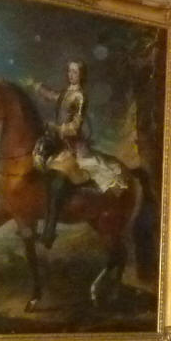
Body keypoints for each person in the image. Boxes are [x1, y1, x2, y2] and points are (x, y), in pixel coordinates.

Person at [29, 60, 124, 248]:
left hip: (73, 148)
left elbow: (75, 127)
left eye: (75, 72)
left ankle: (49, 234)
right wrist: (37, 86)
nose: (71, 75)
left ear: (82, 75)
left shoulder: (80, 96)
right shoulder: (67, 92)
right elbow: (54, 96)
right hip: (59, 143)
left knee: (57, 183)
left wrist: (56, 128)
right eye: (70, 71)